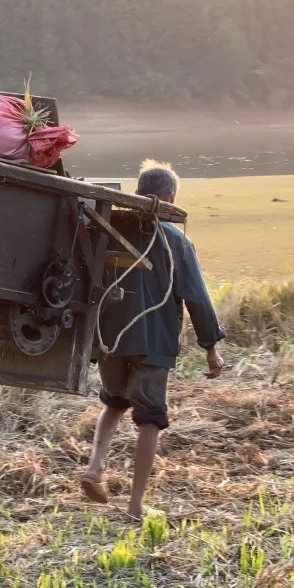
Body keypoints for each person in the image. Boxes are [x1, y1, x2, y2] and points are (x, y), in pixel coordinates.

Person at [81, 160, 226, 520]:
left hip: (110, 337)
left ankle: (94, 468)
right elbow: (197, 298)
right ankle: (134, 507)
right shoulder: (176, 240)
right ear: (170, 197)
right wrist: (211, 349)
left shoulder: (109, 228)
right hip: (153, 340)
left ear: (137, 193)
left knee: (114, 403)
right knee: (150, 418)